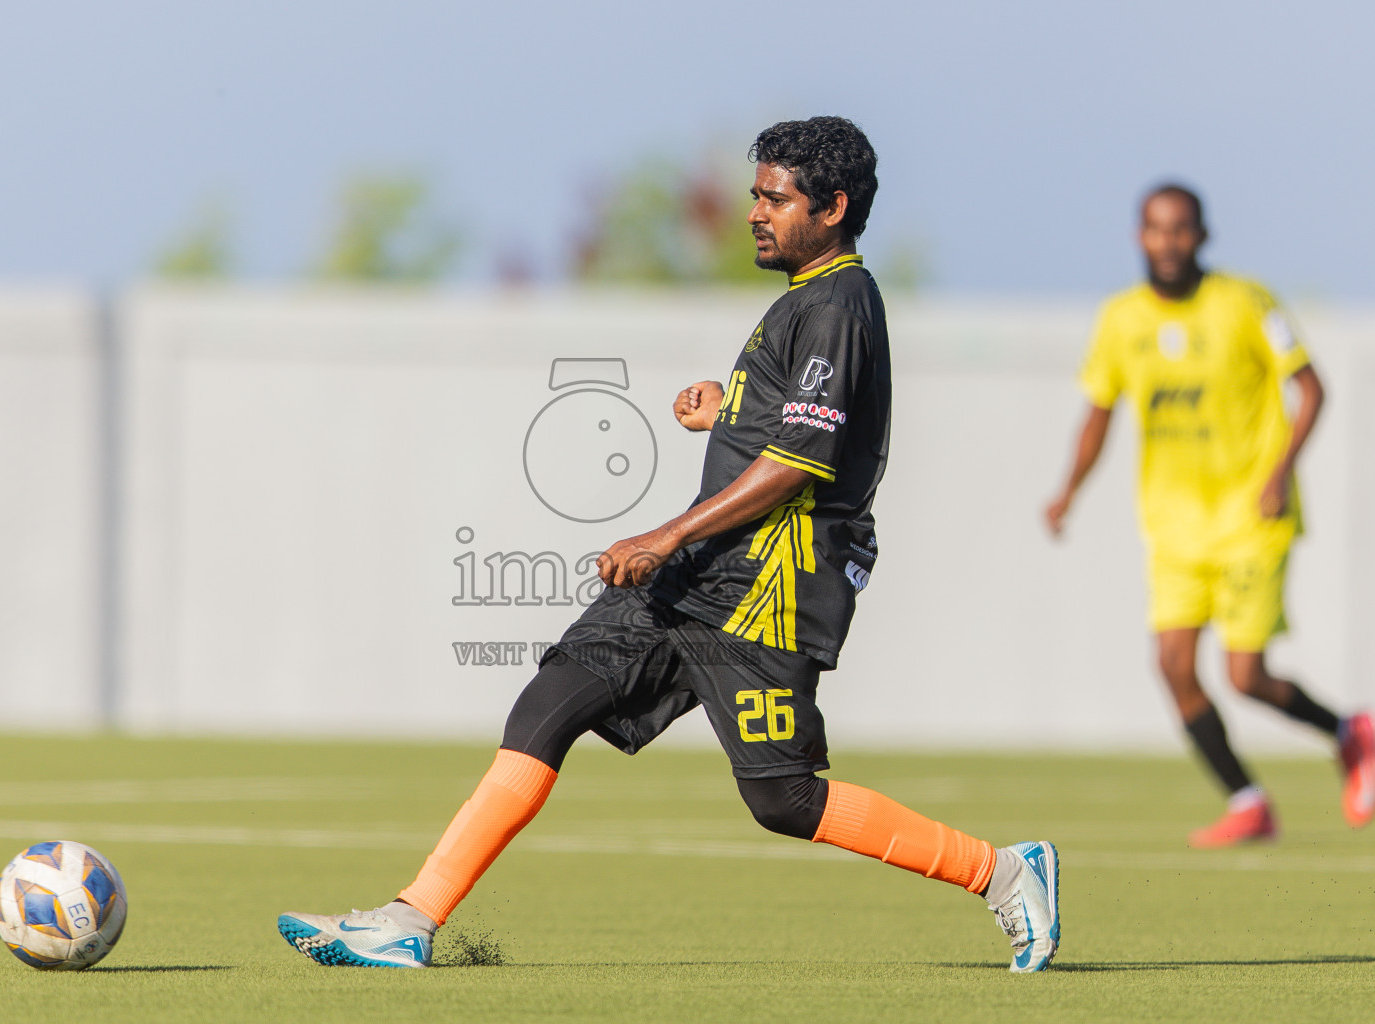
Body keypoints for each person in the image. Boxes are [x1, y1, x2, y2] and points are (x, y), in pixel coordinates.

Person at [278, 116, 1060, 972]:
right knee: (548, 705)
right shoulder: (806, 299)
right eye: (755, 193)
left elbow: (802, 462)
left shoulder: (838, 303)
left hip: (769, 581)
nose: (756, 211)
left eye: (776, 197)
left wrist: (666, 531)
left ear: (833, 207)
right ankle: (410, 920)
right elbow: (786, 426)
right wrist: (724, 410)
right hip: (700, 573)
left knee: (783, 799)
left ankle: (1002, 871)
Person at [1045, 183, 1375, 848]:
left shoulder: (1245, 303)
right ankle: (1249, 801)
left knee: (1244, 674)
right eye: (1156, 230)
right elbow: (1099, 415)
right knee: (1171, 665)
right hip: (1173, 527)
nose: (1168, 243)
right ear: (1140, 236)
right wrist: (1068, 492)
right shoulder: (1121, 320)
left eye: (1181, 229)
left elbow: (1310, 388)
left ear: (1202, 235)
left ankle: (1352, 733)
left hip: (1251, 516)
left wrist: (1280, 473)